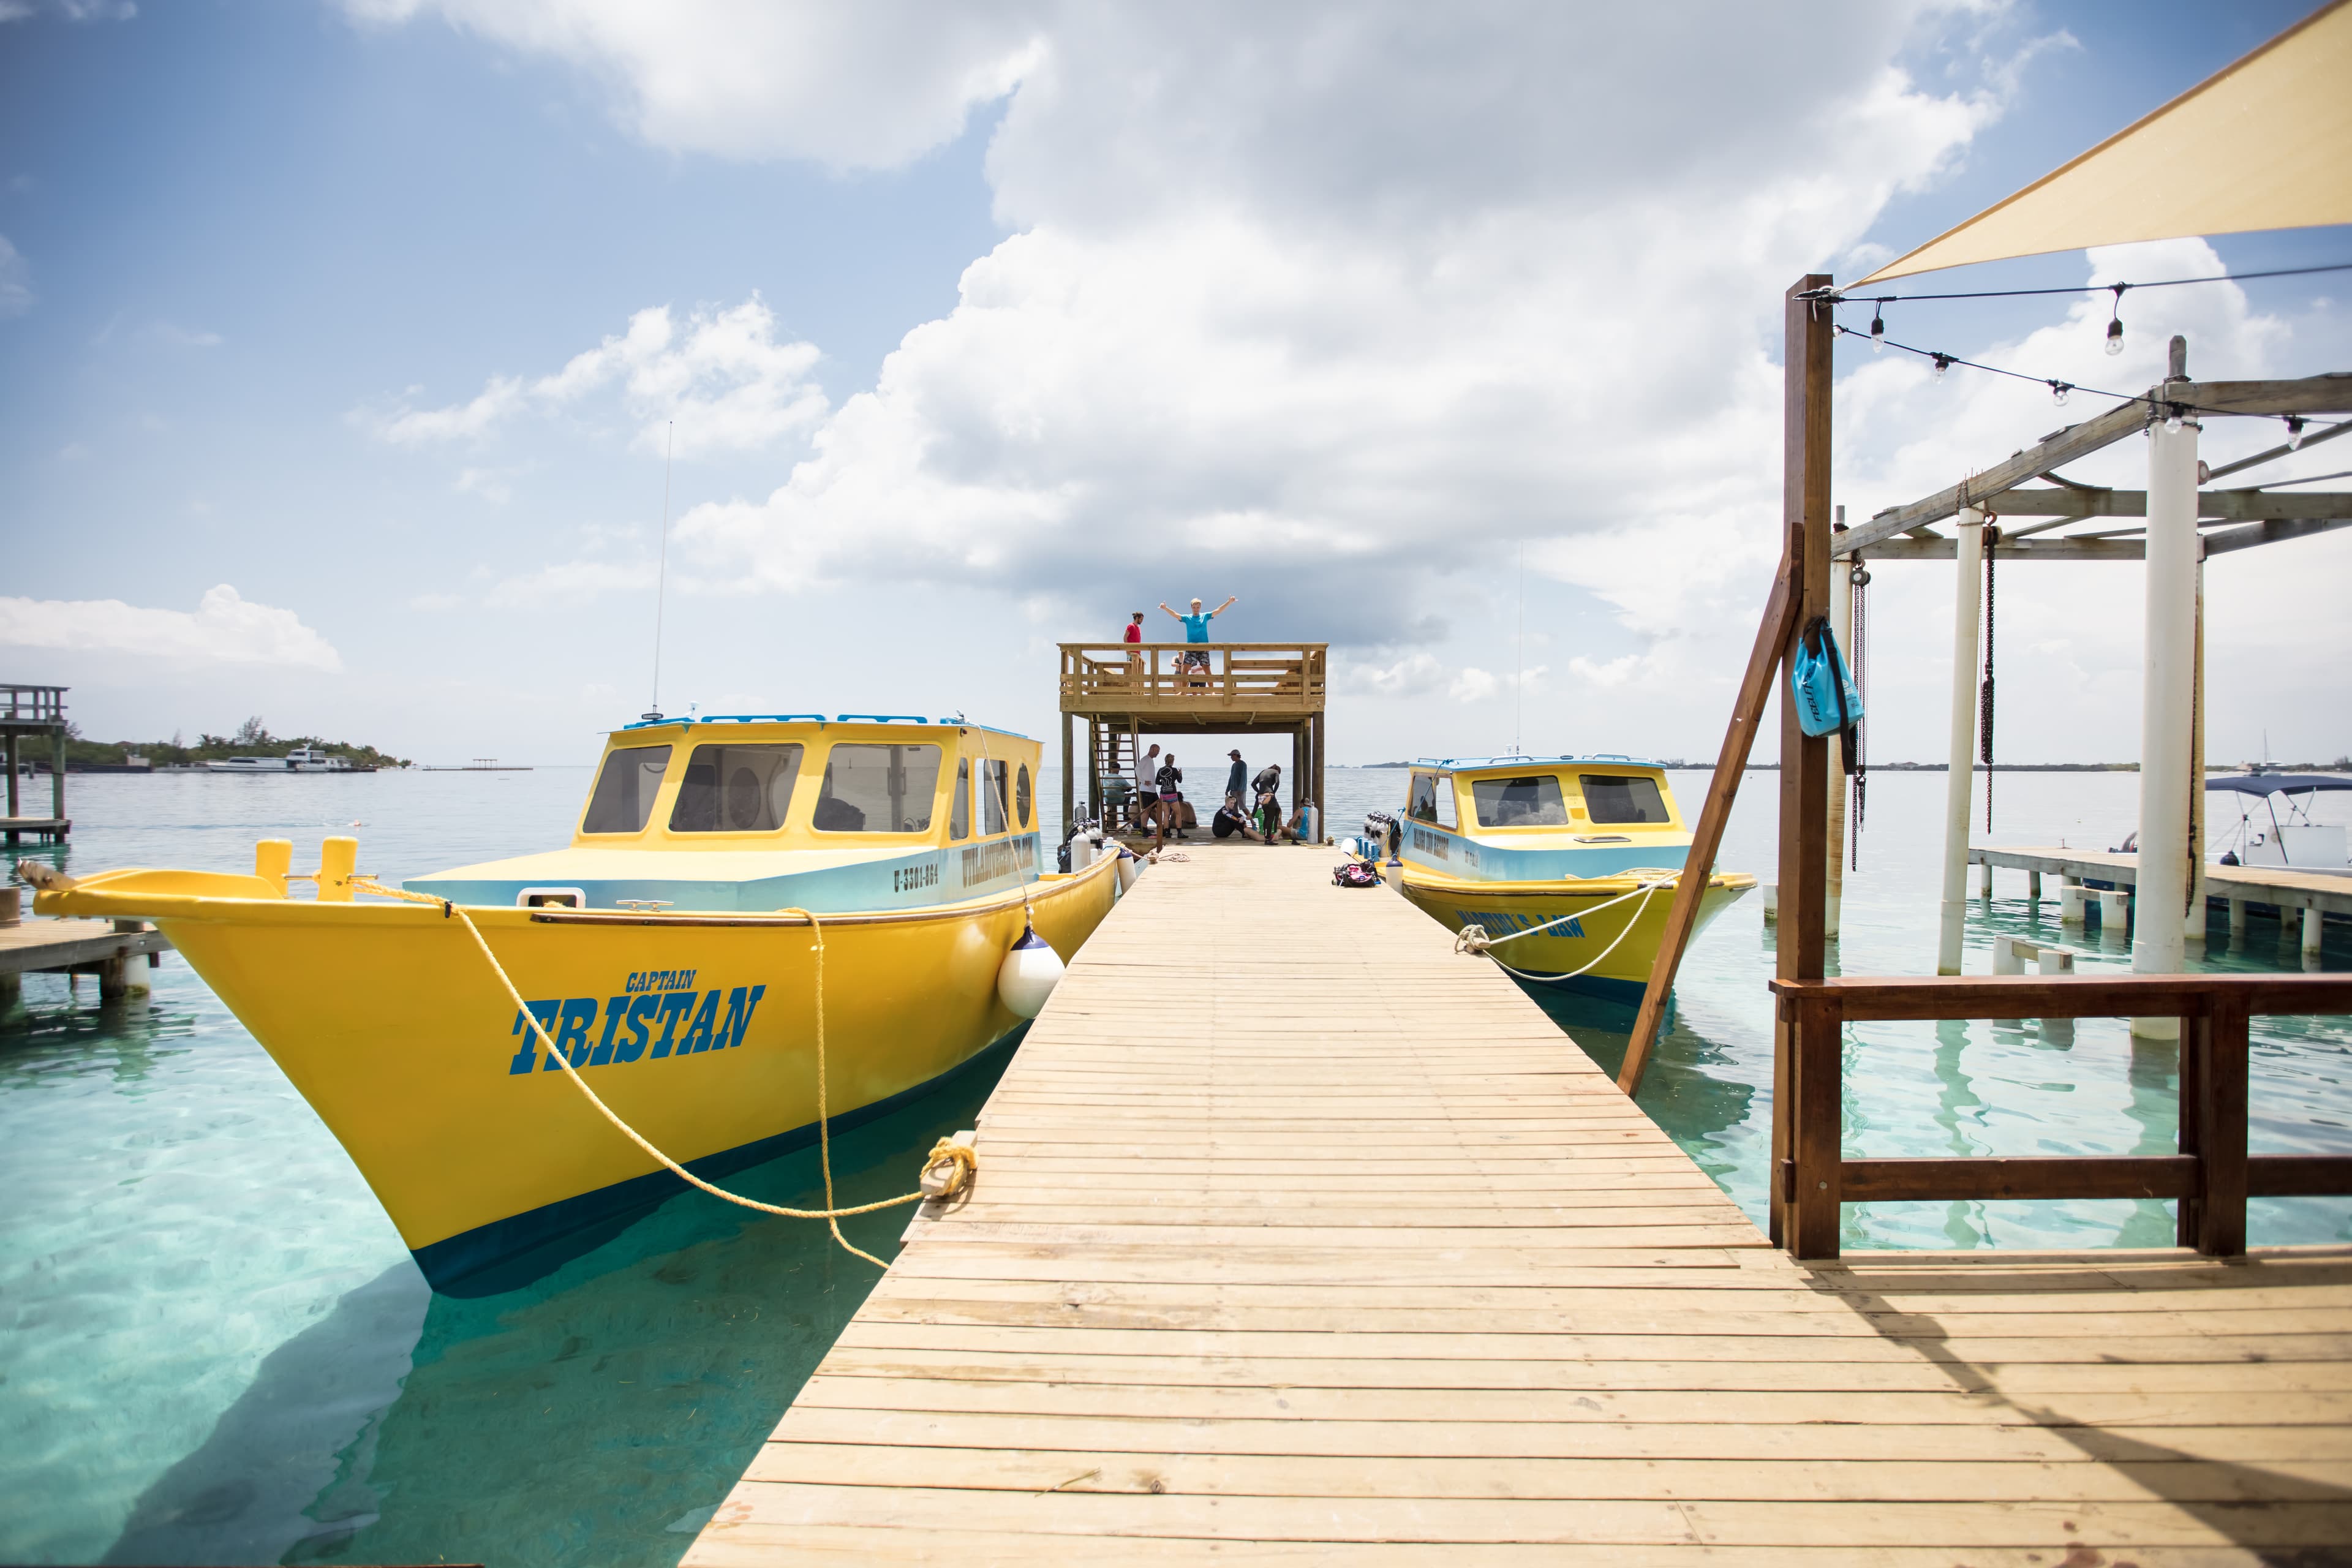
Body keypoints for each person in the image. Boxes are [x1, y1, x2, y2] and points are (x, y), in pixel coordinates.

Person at [1160, 595, 1235, 684]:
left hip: (1203, 647)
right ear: (1191, 607)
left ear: (1200, 608)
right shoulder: (1187, 618)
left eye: (1198, 607)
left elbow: (1218, 611)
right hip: (1191, 647)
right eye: (1194, 607)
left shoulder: (1205, 616)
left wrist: (1229, 602)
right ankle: (1183, 692)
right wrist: (1165, 608)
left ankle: (1212, 692)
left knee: (1207, 669)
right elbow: (1176, 615)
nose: (1196, 609)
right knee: (1185, 669)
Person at [1251, 761, 1294, 846]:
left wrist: (1259, 792)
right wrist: (1273, 792)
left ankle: (1268, 837)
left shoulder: (1263, 771)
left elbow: (1253, 784)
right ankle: (1268, 839)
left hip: (1261, 798)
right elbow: (1277, 783)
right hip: (1269, 796)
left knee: (1271, 815)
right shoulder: (1276, 772)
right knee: (1271, 818)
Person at [1132, 742, 1162, 837]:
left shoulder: (1150, 760)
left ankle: (1161, 827)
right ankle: (1144, 830)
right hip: (1146, 790)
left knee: (1158, 808)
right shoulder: (1145, 759)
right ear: (1152, 749)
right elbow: (1137, 769)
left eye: (1158, 751)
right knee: (1146, 810)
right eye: (1157, 751)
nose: (1158, 753)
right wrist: (1143, 781)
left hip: (1152, 791)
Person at [1155, 752, 1185, 847]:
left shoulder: (1161, 770)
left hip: (1163, 794)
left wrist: (1164, 784)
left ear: (1165, 761)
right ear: (1173, 761)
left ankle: (1167, 833)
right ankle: (1179, 833)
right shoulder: (1175, 770)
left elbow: (1156, 782)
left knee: (1166, 815)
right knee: (1178, 813)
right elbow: (1180, 781)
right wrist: (1180, 774)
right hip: (1172, 794)